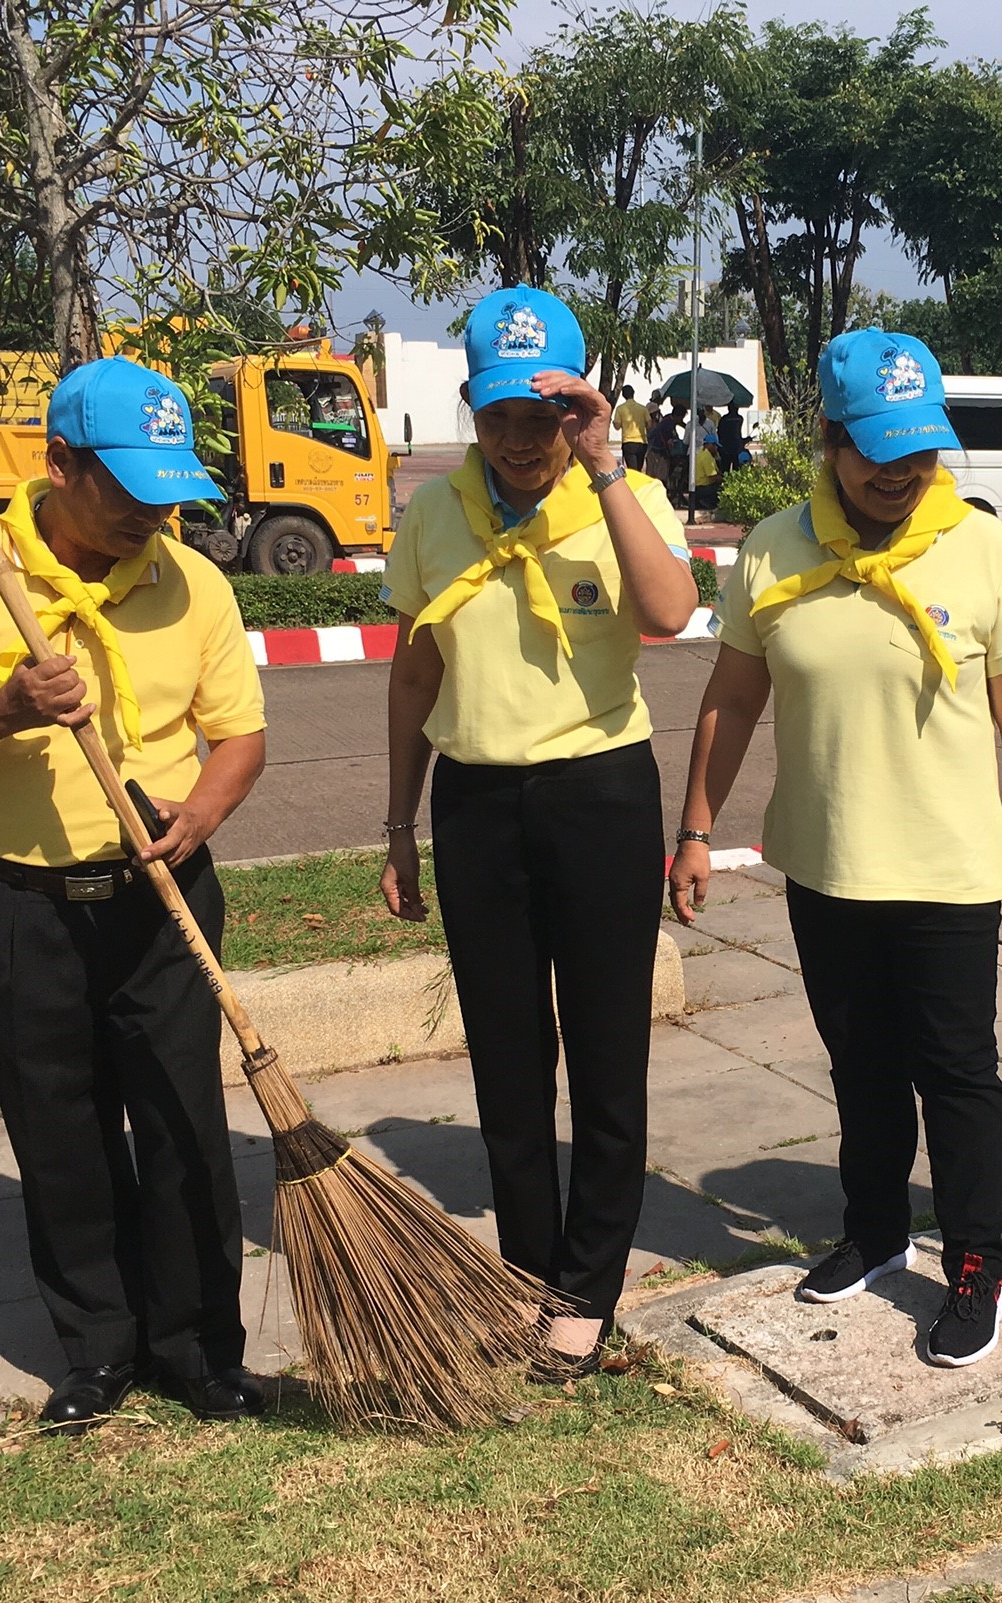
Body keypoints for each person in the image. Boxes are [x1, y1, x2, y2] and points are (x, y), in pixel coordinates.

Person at [0, 359, 270, 1433]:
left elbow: (241, 734)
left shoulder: (193, 581)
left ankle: (198, 1348)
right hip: (20, 906)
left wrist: (203, 815)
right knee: (61, 1130)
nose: (153, 511)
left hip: (162, 898)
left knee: (184, 1123)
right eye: (130, 488)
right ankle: (99, 1346)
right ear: (60, 465)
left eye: (169, 488)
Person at [669, 328, 1002, 1369]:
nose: (901, 472)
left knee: (957, 1070)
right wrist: (697, 827)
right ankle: (879, 1230)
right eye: (879, 449)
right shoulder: (773, 548)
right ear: (833, 442)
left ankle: (976, 1258)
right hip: (826, 859)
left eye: (920, 449)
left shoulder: (981, 548)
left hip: (947, 868)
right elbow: (733, 699)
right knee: (862, 1066)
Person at [379, 286, 699, 1379]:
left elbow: (668, 614)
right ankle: (525, 1268)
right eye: (502, 415)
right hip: (476, 805)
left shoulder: (628, 494)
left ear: (580, 407)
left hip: (602, 796)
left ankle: (586, 1287)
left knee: (609, 1053)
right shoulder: (432, 515)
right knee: (508, 1059)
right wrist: (397, 822)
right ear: (472, 407)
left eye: (548, 414)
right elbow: (415, 667)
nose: (523, 441)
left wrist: (607, 467)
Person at [614, 383, 650, 472]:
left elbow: (617, 426)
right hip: (642, 443)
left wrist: (614, 423)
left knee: (632, 469)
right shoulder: (643, 408)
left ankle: (634, 485)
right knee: (639, 468)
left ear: (623, 395)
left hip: (628, 442)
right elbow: (649, 424)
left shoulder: (620, 409)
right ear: (633, 393)